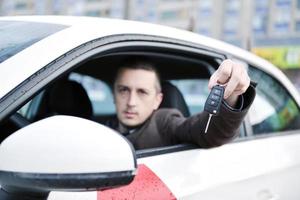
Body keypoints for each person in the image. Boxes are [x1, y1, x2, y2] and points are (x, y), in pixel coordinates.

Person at [106, 57, 256, 150]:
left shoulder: (165, 123)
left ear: (157, 100)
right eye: (124, 90)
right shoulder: (103, 127)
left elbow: (209, 133)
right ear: (114, 94)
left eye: (142, 92)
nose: (131, 102)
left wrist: (231, 95)